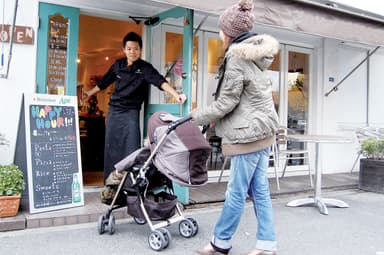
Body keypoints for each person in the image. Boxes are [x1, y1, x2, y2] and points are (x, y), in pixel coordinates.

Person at [191, 0, 280, 254]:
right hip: (263, 132)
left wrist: (194, 116)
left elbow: (226, 103)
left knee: (236, 192)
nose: (220, 34)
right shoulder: (255, 57)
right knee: (259, 190)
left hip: (248, 136)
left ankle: (220, 242)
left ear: (228, 32)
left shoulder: (237, 57)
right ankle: (266, 244)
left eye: (221, 30)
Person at [84, 32, 186, 183]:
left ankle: (129, 184)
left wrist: (175, 94)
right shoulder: (118, 65)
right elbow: (104, 82)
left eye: (136, 49)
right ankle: (110, 183)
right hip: (114, 111)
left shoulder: (145, 68)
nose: (133, 52)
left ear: (140, 50)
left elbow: (160, 81)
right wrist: (89, 93)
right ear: (124, 50)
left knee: (131, 147)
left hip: (131, 112)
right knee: (111, 146)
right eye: (129, 49)